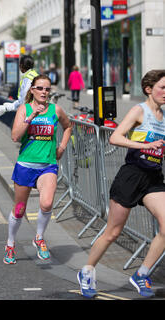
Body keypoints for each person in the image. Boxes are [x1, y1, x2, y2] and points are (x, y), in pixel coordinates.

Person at [78, 70, 165, 298]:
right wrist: (145, 146)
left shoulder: (163, 116)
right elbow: (115, 137)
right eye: (162, 87)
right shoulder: (139, 111)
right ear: (148, 89)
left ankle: (141, 274)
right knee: (113, 232)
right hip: (132, 175)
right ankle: (87, 271)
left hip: (153, 178)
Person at [3, 74, 72, 265]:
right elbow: (15, 136)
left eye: (47, 89)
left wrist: (62, 147)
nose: (44, 92)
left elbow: (68, 126)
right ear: (32, 90)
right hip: (26, 165)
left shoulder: (55, 110)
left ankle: (39, 237)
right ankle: (10, 244)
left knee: (47, 203)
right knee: (19, 210)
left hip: (47, 165)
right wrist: (31, 117)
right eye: (40, 88)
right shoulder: (24, 109)